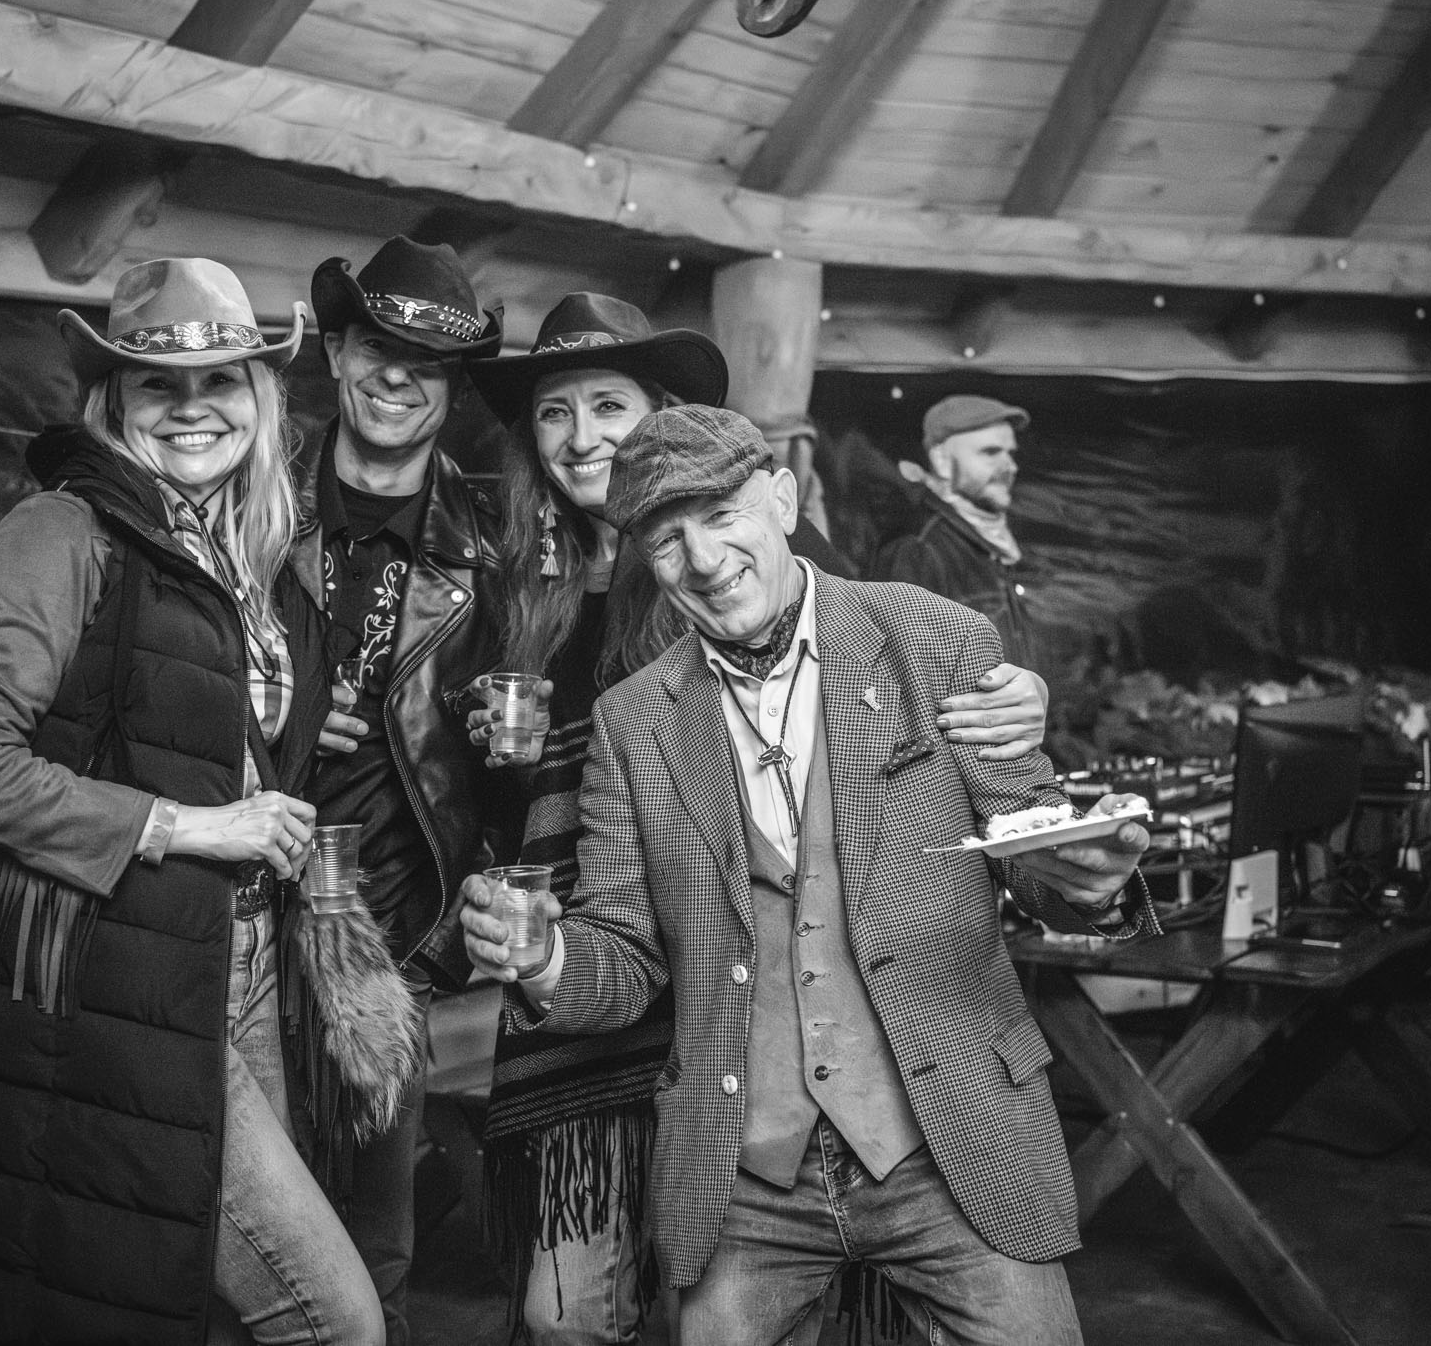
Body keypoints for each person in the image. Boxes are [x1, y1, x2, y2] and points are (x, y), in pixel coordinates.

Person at [460, 405, 1158, 1346]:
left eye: (723, 516)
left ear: (783, 501)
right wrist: (545, 956)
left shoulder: (935, 639)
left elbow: (1028, 845)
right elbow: (624, 953)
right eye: (666, 540)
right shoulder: (633, 721)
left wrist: (1089, 877)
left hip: (947, 1142)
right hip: (745, 1173)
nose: (704, 559)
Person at [0, 258, 384, 1345]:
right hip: (128, 976)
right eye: (158, 386)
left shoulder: (240, 551)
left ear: (259, 397)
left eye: (220, 381)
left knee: (213, 1310)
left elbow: (175, 721)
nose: (194, 409)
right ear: (114, 401)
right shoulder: (60, 530)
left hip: (239, 960)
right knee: (335, 1319)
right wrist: (192, 825)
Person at [296, 237, 506, 1341]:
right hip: (233, 919)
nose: (396, 376)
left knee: (373, 1244)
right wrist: (276, 716)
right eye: (376, 346)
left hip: (394, 936)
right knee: (220, 1223)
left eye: (426, 363)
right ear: (335, 351)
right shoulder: (249, 502)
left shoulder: (495, 540)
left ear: (452, 387)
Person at [872, 394, 1038, 670]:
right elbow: (898, 673)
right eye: (990, 452)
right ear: (942, 460)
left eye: (1010, 453)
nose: (1010, 467)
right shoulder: (918, 547)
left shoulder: (986, 543)